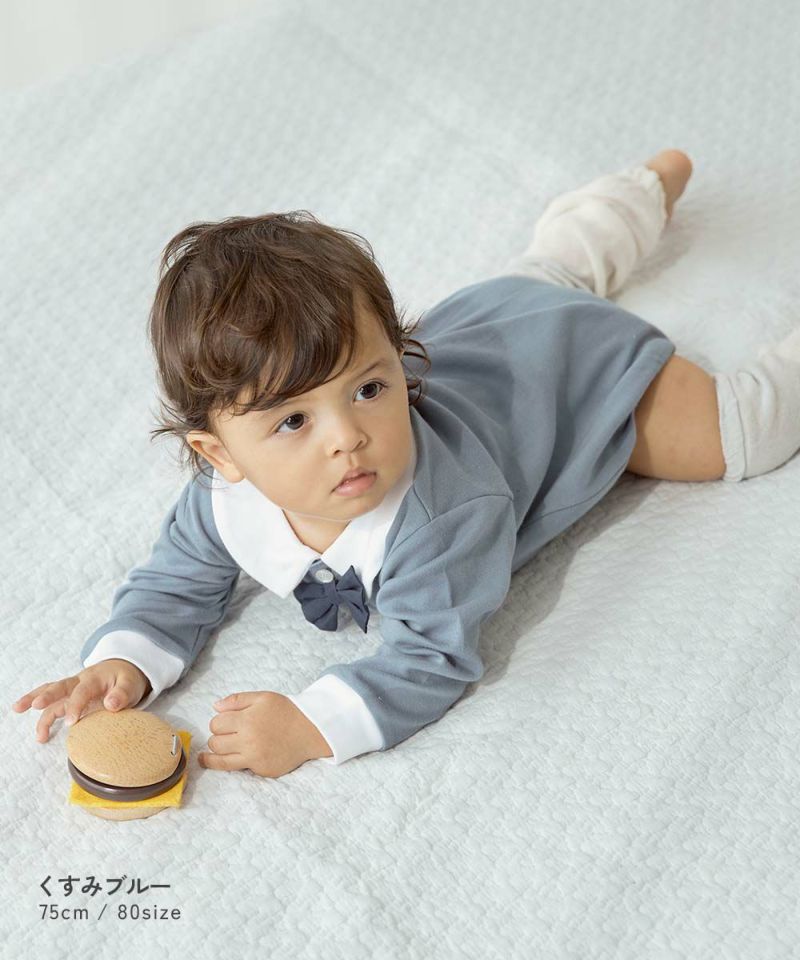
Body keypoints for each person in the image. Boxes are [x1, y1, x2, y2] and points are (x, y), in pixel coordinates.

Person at [13, 150, 800, 779]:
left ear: (399, 359)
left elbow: (434, 657)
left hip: (578, 378)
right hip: (493, 316)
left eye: (369, 388)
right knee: (547, 274)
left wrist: (314, 724)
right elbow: (174, 584)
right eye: (292, 420)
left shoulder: (440, 515)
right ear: (219, 454)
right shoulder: (223, 502)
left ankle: (640, 198)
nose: (347, 438)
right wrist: (121, 662)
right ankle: (633, 196)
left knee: (741, 434)